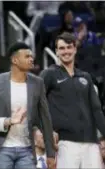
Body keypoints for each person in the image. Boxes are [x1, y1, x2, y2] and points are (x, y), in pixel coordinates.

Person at [0, 42, 56, 169]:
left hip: (27, 149)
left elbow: (45, 119)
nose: (31, 59)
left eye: (31, 56)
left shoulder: (37, 83)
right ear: (15, 60)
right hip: (1, 148)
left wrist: (50, 153)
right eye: (27, 56)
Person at [40, 32, 105, 168]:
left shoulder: (85, 77)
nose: (66, 51)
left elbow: (96, 109)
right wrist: (47, 131)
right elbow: (37, 105)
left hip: (91, 141)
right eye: (62, 48)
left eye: (69, 47)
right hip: (65, 142)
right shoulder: (49, 74)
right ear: (56, 51)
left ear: (75, 49)